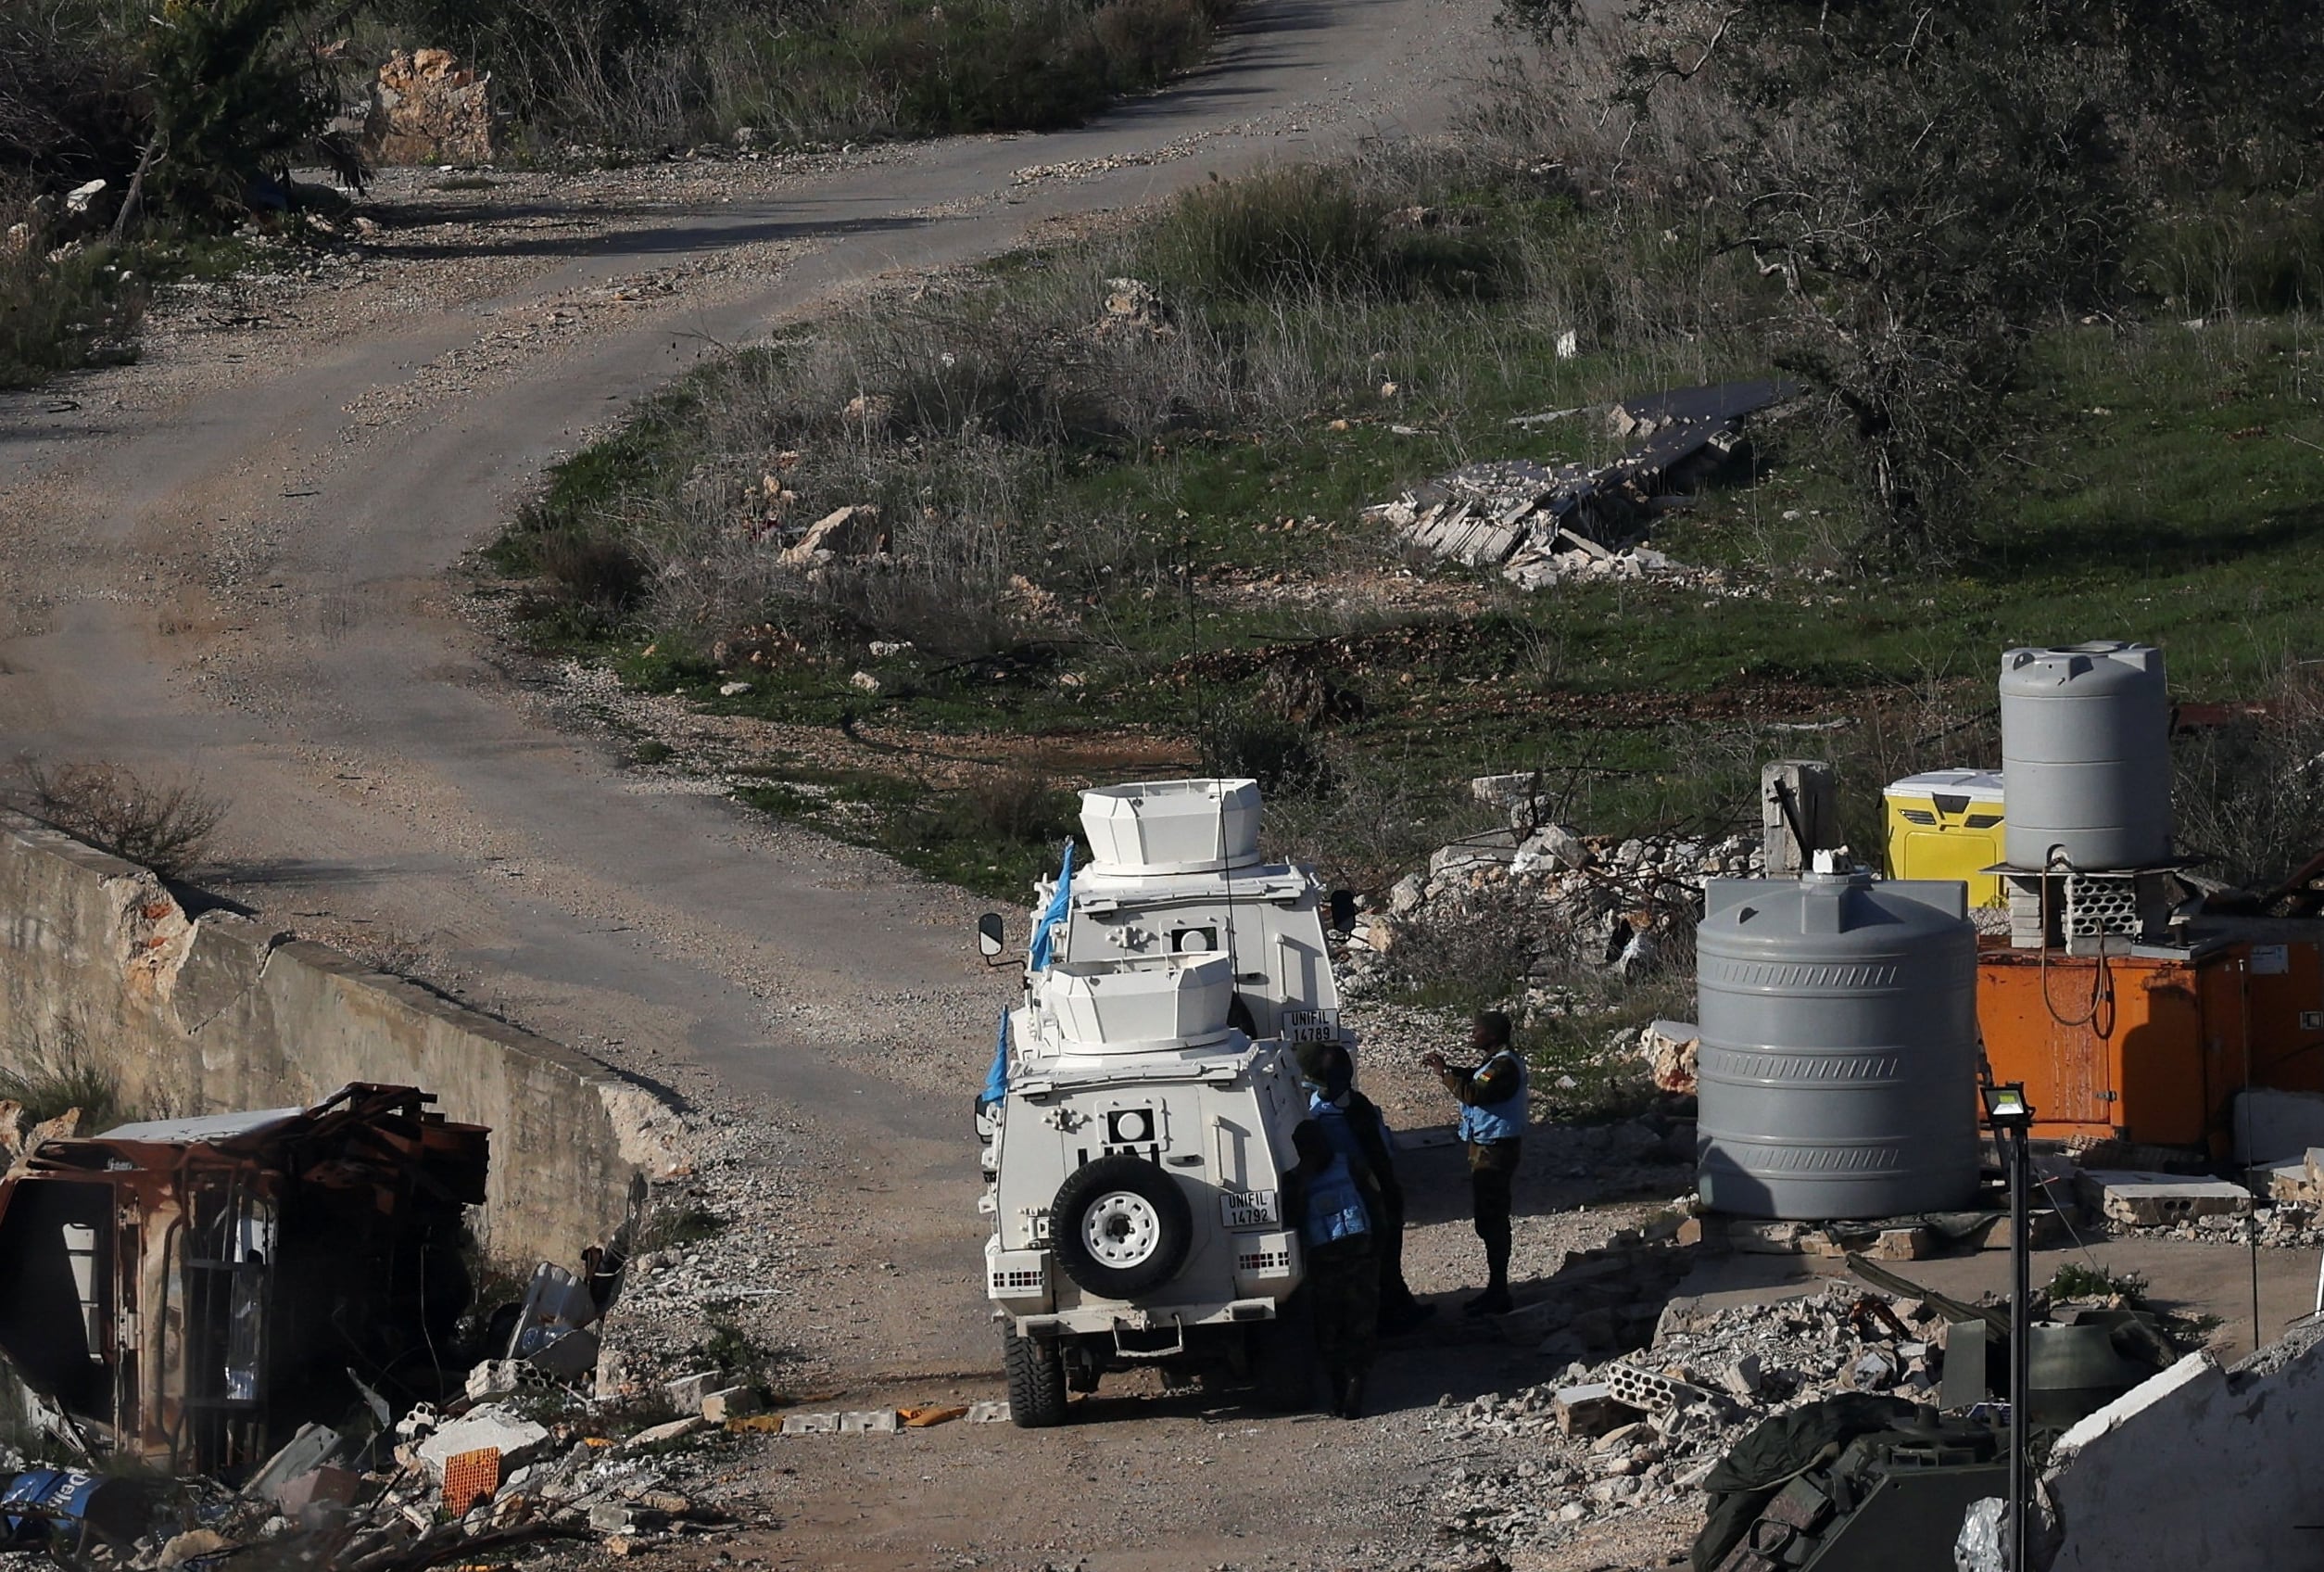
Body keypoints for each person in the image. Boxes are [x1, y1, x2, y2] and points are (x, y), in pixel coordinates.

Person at [1295, 1040, 1434, 1334]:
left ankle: (1395, 1309)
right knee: (1379, 1256)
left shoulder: (1319, 1108)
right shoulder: (1343, 1111)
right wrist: (1388, 1189)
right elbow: (1376, 1155)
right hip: (1365, 1190)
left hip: (1354, 1191)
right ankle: (1389, 1317)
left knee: (1378, 1258)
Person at [1421, 1010, 1529, 1316]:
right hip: (1488, 1147)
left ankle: (1499, 1291)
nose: (1472, 1035)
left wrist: (1444, 1074)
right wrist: (1450, 1069)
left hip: (1496, 1150)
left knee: (1493, 1220)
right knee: (1487, 1219)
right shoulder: (1496, 1063)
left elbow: (1471, 1094)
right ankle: (1496, 1289)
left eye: (1477, 1031)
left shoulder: (1505, 1066)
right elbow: (1474, 1078)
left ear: (1492, 1036)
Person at [1283, 1119, 1380, 1419]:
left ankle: (1353, 1390)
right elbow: (1292, 1223)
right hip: (1326, 1266)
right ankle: (1342, 1390)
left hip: (1356, 1261)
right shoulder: (1297, 1180)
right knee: (1331, 1333)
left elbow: (1376, 1207)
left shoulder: (1349, 1166)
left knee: (1358, 1328)